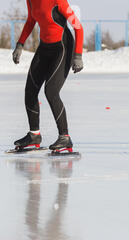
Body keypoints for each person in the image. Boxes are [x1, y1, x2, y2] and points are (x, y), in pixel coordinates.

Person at [12, 0, 84, 153]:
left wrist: (78, 55)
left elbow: (78, 27)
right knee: (30, 90)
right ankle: (34, 135)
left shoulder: (57, 1)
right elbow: (31, 19)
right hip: (44, 47)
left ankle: (65, 137)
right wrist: (20, 44)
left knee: (51, 92)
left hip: (62, 47)